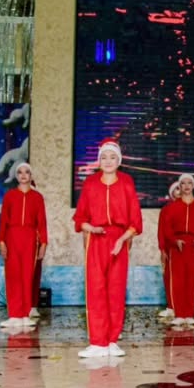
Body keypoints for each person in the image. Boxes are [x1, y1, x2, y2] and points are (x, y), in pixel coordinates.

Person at [73, 138, 143, 358]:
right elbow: (80, 219)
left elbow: (135, 221)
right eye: (104, 157)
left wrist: (122, 240)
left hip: (119, 239)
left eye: (112, 157)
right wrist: (91, 229)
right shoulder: (90, 183)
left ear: (119, 160)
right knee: (96, 289)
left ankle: (112, 340)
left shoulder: (127, 182)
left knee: (116, 290)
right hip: (96, 239)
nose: (108, 161)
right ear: (99, 160)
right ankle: (98, 342)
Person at [0, 162, 48, 329]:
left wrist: (43, 243)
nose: (23, 175)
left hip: (30, 238)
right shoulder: (9, 196)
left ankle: (26, 314)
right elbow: (3, 220)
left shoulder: (37, 197)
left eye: (27, 172)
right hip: (12, 237)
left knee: (27, 275)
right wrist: (2, 241)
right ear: (16, 176)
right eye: (20, 172)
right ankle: (14, 315)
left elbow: (42, 223)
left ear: (31, 176)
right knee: (13, 275)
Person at [159, 173, 194, 327]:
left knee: (191, 279)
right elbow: (166, 228)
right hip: (177, 246)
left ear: (193, 186)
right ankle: (179, 314)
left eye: (189, 183)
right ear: (179, 186)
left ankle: (189, 314)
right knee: (178, 280)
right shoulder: (172, 208)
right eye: (183, 183)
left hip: (193, 246)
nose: (186, 186)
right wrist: (174, 241)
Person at [157, 181, 181, 321]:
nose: (180, 190)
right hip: (170, 249)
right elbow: (161, 231)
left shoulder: (191, 208)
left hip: (187, 249)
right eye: (177, 188)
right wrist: (162, 249)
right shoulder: (166, 210)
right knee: (170, 278)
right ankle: (171, 307)